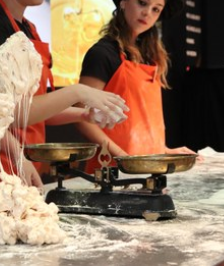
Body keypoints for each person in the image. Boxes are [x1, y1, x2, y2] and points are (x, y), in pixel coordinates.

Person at [0, 0, 130, 188]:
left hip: (23, 161)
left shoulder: (29, 29)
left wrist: (84, 114)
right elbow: (1, 110)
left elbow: (39, 108)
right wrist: (78, 92)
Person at [76, 0, 193, 172]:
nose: (147, 13)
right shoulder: (102, 54)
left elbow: (145, 119)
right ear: (123, 3)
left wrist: (163, 150)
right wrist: (124, 157)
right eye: (142, 3)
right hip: (111, 170)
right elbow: (82, 118)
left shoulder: (152, 58)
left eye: (156, 9)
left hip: (150, 167)